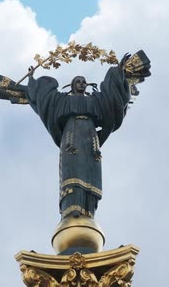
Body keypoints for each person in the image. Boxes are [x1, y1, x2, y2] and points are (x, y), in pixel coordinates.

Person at [26, 55, 132, 219]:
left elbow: (112, 96)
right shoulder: (62, 100)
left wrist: (119, 71)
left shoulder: (95, 101)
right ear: (73, 85)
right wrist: (32, 79)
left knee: (90, 172)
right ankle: (71, 208)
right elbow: (43, 98)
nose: (81, 83)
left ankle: (89, 210)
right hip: (71, 136)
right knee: (73, 170)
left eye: (84, 81)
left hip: (90, 138)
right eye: (78, 81)